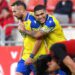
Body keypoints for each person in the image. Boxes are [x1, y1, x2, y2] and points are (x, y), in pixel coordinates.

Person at [19, 4, 66, 75]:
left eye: (42, 14)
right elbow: (28, 14)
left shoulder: (51, 22)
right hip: (54, 54)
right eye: (37, 15)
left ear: (46, 12)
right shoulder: (41, 22)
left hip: (62, 52)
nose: (40, 16)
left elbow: (38, 35)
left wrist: (24, 30)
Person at [12, 1, 48, 75]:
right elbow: (26, 39)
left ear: (22, 10)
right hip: (25, 56)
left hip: (37, 57)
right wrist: (21, 55)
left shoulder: (33, 20)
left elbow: (40, 39)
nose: (13, 14)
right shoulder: (21, 21)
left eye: (15, 11)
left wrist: (31, 56)